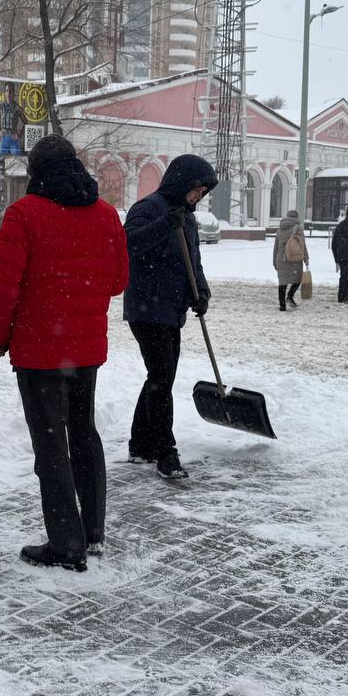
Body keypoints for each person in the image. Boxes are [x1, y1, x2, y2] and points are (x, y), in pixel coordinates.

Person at [0, 135, 127, 572]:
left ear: (36, 171)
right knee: (84, 435)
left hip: (38, 354)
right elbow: (119, 280)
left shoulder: (24, 214)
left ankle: (66, 544)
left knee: (51, 447)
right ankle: (93, 530)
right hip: (85, 351)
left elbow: (1, 286)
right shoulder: (104, 214)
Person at [124, 154, 217, 478]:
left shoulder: (187, 218)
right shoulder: (148, 208)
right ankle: (165, 451)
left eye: (203, 192)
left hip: (170, 309)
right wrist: (165, 225)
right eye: (196, 190)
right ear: (181, 183)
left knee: (159, 378)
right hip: (146, 307)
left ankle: (140, 444)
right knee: (162, 378)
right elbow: (127, 245)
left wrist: (201, 293)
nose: (198, 197)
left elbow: (195, 261)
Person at [272, 209, 307, 311]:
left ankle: (282, 306)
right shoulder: (298, 229)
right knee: (297, 280)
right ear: (297, 217)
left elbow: (276, 248)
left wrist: (274, 261)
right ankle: (290, 296)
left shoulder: (280, 230)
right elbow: (302, 245)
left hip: (281, 258)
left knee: (282, 282)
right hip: (295, 258)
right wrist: (306, 258)